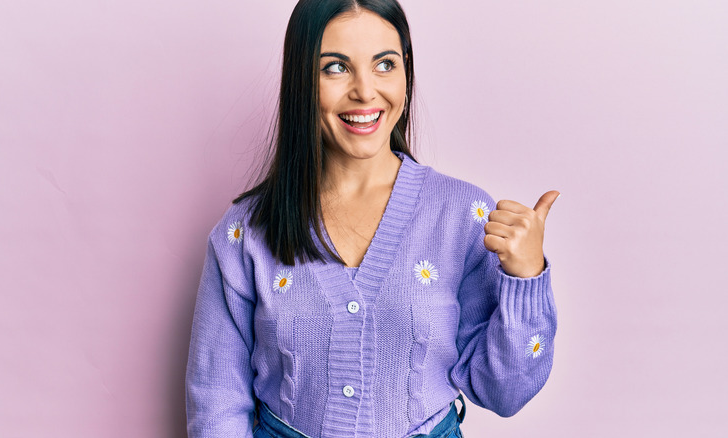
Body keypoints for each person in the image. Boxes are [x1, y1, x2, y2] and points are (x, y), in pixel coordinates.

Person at [185, 0, 559, 437]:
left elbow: (504, 393)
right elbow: (216, 402)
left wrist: (527, 279)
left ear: (406, 73)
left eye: (385, 64)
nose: (365, 91)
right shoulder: (244, 232)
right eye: (335, 68)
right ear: (301, 81)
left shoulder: (464, 216)